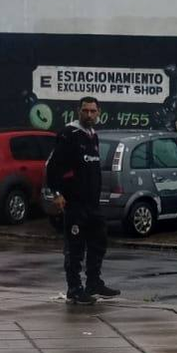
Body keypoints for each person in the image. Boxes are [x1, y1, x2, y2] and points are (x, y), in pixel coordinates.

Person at [45, 95, 119, 305]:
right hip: (74, 203)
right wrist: (57, 193)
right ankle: (74, 288)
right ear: (79, 111)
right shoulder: (69, 134)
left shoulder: (92, 136)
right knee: (75, 247)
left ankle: (94, 283)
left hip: (92, 204)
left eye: (92, 111)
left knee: (99, 240)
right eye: (85, 111)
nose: (89, 115)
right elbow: (52, 166)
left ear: (99, 112)